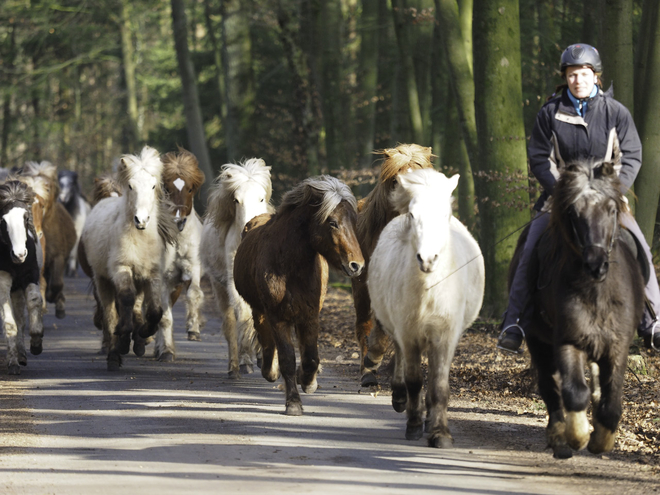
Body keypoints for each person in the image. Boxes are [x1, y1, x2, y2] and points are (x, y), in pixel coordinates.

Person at [498, 43, 660, 353]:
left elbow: (632, 156)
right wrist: (564, 192)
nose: (578, 80)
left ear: (596, 76)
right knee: (530, 249)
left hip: (606, 198)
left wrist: (613, 191)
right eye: (572, 74)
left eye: (584, 74)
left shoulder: (616, 112)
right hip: (559, 199)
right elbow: (539, 158)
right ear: (565, 78)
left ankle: (653, 320)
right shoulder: (550, 113)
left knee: (640, 246)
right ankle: (515, 320)